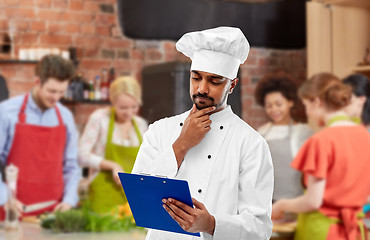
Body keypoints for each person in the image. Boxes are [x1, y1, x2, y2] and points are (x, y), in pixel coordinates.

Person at [132, 27, 274, 240]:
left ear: (232, 85)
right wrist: (182, 144)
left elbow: (260, 229)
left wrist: (211, 224)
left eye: (214, 81)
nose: (202, 89)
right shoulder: (160, 131)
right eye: (196, 77)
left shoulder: (251, 143)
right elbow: (138, 197)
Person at [271, 73, 370, 240]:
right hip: (355, 232)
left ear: (317, 101)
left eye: (306, 106)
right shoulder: (365, 136)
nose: (308, 113)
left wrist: (281, 205)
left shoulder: (321, 141)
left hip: (322, 232)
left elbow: (313, 201)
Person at [0, 54, 81, 216]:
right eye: (51, 91)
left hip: (53, 213)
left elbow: (72, 165)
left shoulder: (65, 117)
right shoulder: (7, 112)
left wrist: (69, 200)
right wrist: (4, 197)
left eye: (61, 92)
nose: (56, 98)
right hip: (14, 208)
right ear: (37, 81)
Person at [78, 76, 148, 213]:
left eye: (134, 107)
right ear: (112, 101)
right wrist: (112, 165)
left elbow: (147, 160)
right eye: (123, 108)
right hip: (103, 194)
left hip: (133, 198)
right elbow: (82, 155)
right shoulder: (99, 119)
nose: (129, 113)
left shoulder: (140, 125)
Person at [255, 72, 313, 201]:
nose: (274, 110)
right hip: (267, 202)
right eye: (269, 106)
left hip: (295, 201)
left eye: (279, 104)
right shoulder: (262, 132)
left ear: (290, 102)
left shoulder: (303, 132)